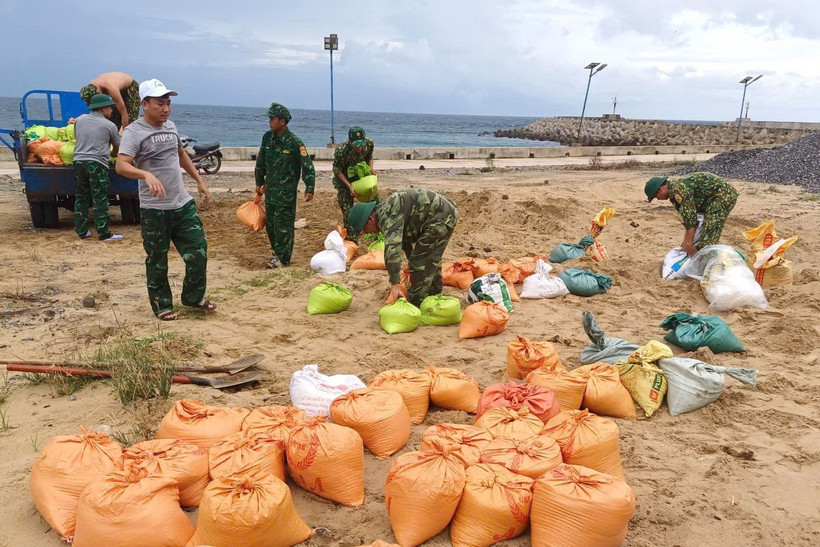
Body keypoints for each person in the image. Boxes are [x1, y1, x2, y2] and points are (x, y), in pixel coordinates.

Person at [116, 79, 214, 321]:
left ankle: (193, 297)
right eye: (160, 104)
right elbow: (121, 165)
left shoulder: (170, 126)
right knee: (158, 260)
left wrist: (198, 181)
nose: (166, 109)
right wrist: (145, 174)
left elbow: (180, 154)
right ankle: (162, 305)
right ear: (145, 104)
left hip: (182, 203)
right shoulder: (134, 132)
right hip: (154, 209)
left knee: (198, 252)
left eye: (168, 104)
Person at [347, 188, 458, 306]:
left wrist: (395, 284)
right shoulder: (385, 212)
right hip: (440, 216)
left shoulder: (388, 215)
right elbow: (406, 241)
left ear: (370, 219)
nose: (367, 233)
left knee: (421, 261)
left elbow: (392, 250)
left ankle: (416, 304)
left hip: (441, 217)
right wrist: (413, 263)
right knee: (427, 260)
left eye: (364, 229)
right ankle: (434, 296)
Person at [254, 103, 315, 268]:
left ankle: (283, 260)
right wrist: (259, 183)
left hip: (286, 194)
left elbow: (307, 165)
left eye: (272, 119)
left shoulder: (295, 142)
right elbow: (261, 162)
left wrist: (310, 187)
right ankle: (276, 253)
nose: (269, 122)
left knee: (284, 227)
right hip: (270, 192)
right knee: (271, 226)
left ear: (282, 121)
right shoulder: (267, 138)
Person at [645, 172, 738, 256]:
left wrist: (688, 243)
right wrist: (686, 242)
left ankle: (710, 267)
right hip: (709, 200)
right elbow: (687, 219)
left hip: (722, 196)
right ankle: (701, 263)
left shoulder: (679, 189)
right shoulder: (674, 195)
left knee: (708, 238)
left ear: (660, 189)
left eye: (655, 196)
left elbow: (691, 218)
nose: (657, 198)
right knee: (698, 240)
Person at [72, 93, 123, 241]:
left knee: (81, 196)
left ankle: (81, 231)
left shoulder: (80, 120)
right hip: (97, 163)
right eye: (110, 107)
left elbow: (77, 138)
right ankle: (103, 233)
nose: (112, 110)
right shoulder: (110, 125)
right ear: (103, 109)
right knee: (99, 197)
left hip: (78, 161)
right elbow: (117, 147)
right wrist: (112, 153)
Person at [332, 126, 376, 241]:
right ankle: (352, 238)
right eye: (356, 144)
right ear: (349, 142)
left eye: (361, 144)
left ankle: (375, 230)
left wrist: (371, 170)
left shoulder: (369, 143)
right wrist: (349, 186)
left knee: (375, 202)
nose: (359, 147)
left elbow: (369, 157)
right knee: (347, 211)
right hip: (344, 180)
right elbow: (337, 170)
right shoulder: (342, 150)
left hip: (362, 176)